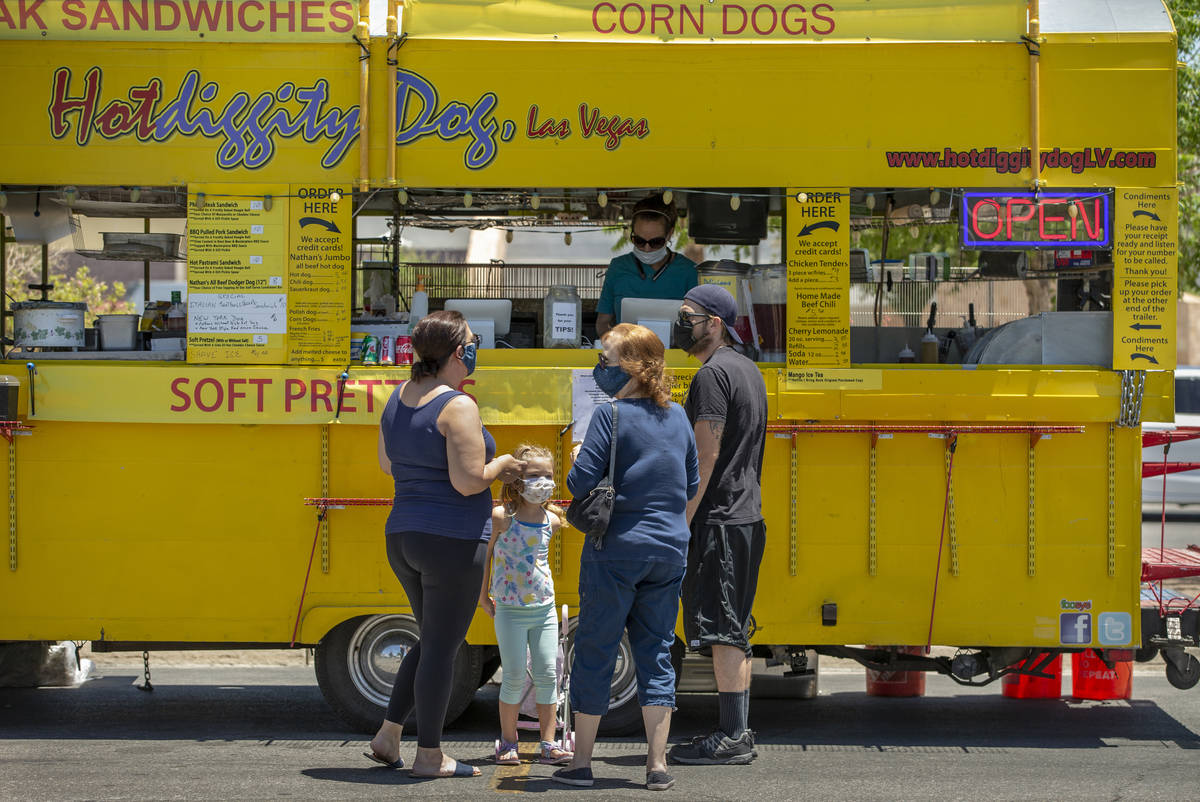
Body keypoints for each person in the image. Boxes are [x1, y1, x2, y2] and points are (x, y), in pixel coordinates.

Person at [365, 310, 525, 778]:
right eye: (473, 342)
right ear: (459, 352)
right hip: (451, 539)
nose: (476, 349)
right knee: (442, 647)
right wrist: (507, 465)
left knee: (431, 639)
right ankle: (430, 755)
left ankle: (389, 735)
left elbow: (386, 463)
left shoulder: (398, 396)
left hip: (404, 535)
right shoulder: (458, 405)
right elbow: (470, 481)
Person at [552, 323, 699, 792]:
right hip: (669, 550)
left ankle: (581, 765)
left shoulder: (608, 416)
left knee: (595, 651)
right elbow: (690, 484)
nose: (601, 368)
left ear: (634, 367)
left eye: (606, 360)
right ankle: (657, 767)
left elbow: (577, 486)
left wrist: (576, 454)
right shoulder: (677, 416)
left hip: (614, 551)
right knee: (656, 652)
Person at [668, 284, 768, 766]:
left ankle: (733, 736)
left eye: (689, 316)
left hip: (720, 519)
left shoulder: (711, 377)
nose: (680, 323)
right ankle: (737, 731)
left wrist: (682, 520)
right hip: (745, 516)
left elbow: (705, 457)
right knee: (734, 625)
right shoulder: (748, 370)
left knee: (724, 628)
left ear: (716, 324)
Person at [480, 444, 574, 767]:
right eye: (534, 475)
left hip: (544, 609)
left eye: (548, 475)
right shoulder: (501, 518)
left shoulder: (553, 520)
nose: (543, 481)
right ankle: (508, 742)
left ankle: (549, 742)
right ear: (518, 480)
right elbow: (485, 556)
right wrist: (482, 595)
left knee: (549, 673)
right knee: (515, 676)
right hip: (509, 610)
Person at [594, 194, 698, 337]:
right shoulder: (618, 267)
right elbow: (602, 323)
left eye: (655, 242)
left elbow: (698, 326)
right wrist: (616, 344)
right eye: (639, 241)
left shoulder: (689, 271)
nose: (647, 249)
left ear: (670, 234)